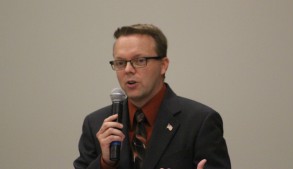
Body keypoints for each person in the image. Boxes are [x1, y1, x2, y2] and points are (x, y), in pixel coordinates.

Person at [74, 24, 231, 169]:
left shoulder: (200, 121)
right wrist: (105, 163)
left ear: (163, 65)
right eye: (120, 62)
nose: (128, 69)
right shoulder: (96, 124)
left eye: (139, 60)